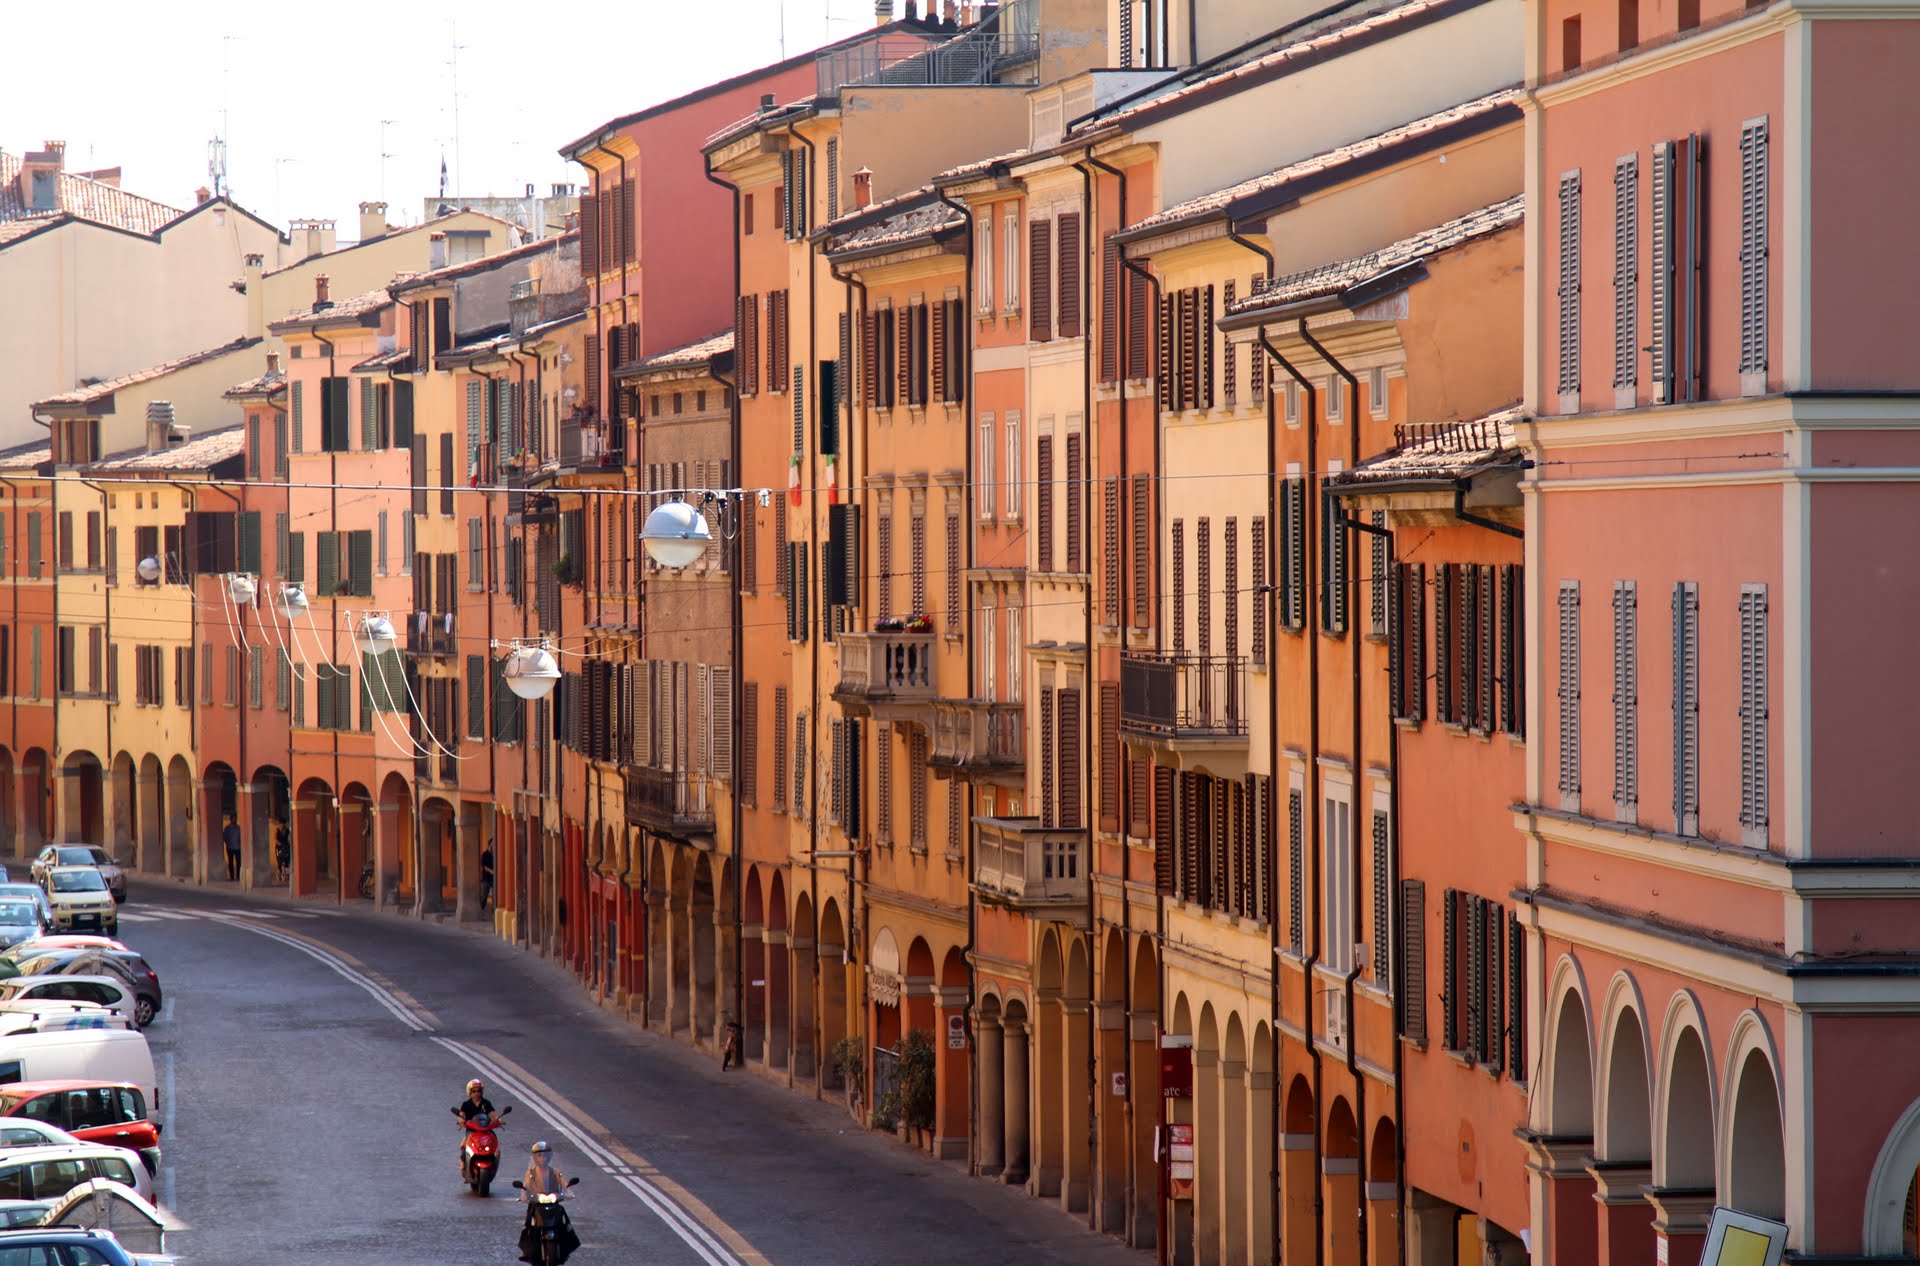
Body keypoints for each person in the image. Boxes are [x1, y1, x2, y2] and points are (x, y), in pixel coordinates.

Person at [519, 1140, 580, 1264]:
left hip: (553, 1202)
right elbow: (524, 1187)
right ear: (535, 1158)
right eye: (539, 1155)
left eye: (545, 1155)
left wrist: (568, 1192)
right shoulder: (530, 1173)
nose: (542, 1158)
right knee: (528, 1226)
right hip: (537, 1204)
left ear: (549, 1157)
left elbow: (564, 1183)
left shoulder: (555, 1172)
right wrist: (524, 1195)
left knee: (564, 1220)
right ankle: (528, 1251)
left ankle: (566, 1246)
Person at [455, 1078, 501, 1160]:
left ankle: (495, 1157)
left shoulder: (486, 1103)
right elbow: (461, 1114)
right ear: (470, 1093)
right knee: (466, 1144)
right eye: (474, 1091)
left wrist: (498, 1119)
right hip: (472, 1129)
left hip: (485, 1128)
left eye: (479, 1091)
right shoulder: (466, 1104)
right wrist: (460, 1120)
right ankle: (463, 1161)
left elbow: (492, 1113)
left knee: (494, 1139)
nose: (477, 1093)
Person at [222, 813, 242, 882]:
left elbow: (241, 837)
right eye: (234, 818)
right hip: (230, 847)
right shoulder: (227, 828)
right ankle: (232, 876)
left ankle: (238, 876)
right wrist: (227, 843)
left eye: (236, 818)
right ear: (231, 819)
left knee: (238, 862)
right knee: (230, 862)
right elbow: (224, 837)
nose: (235, 820)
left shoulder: (239, 828)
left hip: (238, 847)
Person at [479, 846, 495, 911]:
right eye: (492, 845)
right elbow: (484, 866)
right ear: (489, 845)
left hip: (494, 879)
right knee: (484, 896)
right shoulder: (485, 854)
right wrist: (491, 871)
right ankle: (481, 909)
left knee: (495, 896)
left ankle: (493, 910)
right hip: (486, 879)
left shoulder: (494, 854)